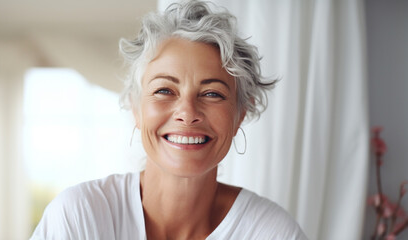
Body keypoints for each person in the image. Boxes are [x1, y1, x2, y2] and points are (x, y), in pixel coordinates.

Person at [30, 1, 308, 239]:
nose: (187, 112)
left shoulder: (271, 232)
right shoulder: (78, 217)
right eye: (164, 90)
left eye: (212, 93)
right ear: (136, 109)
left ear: (240, 115)